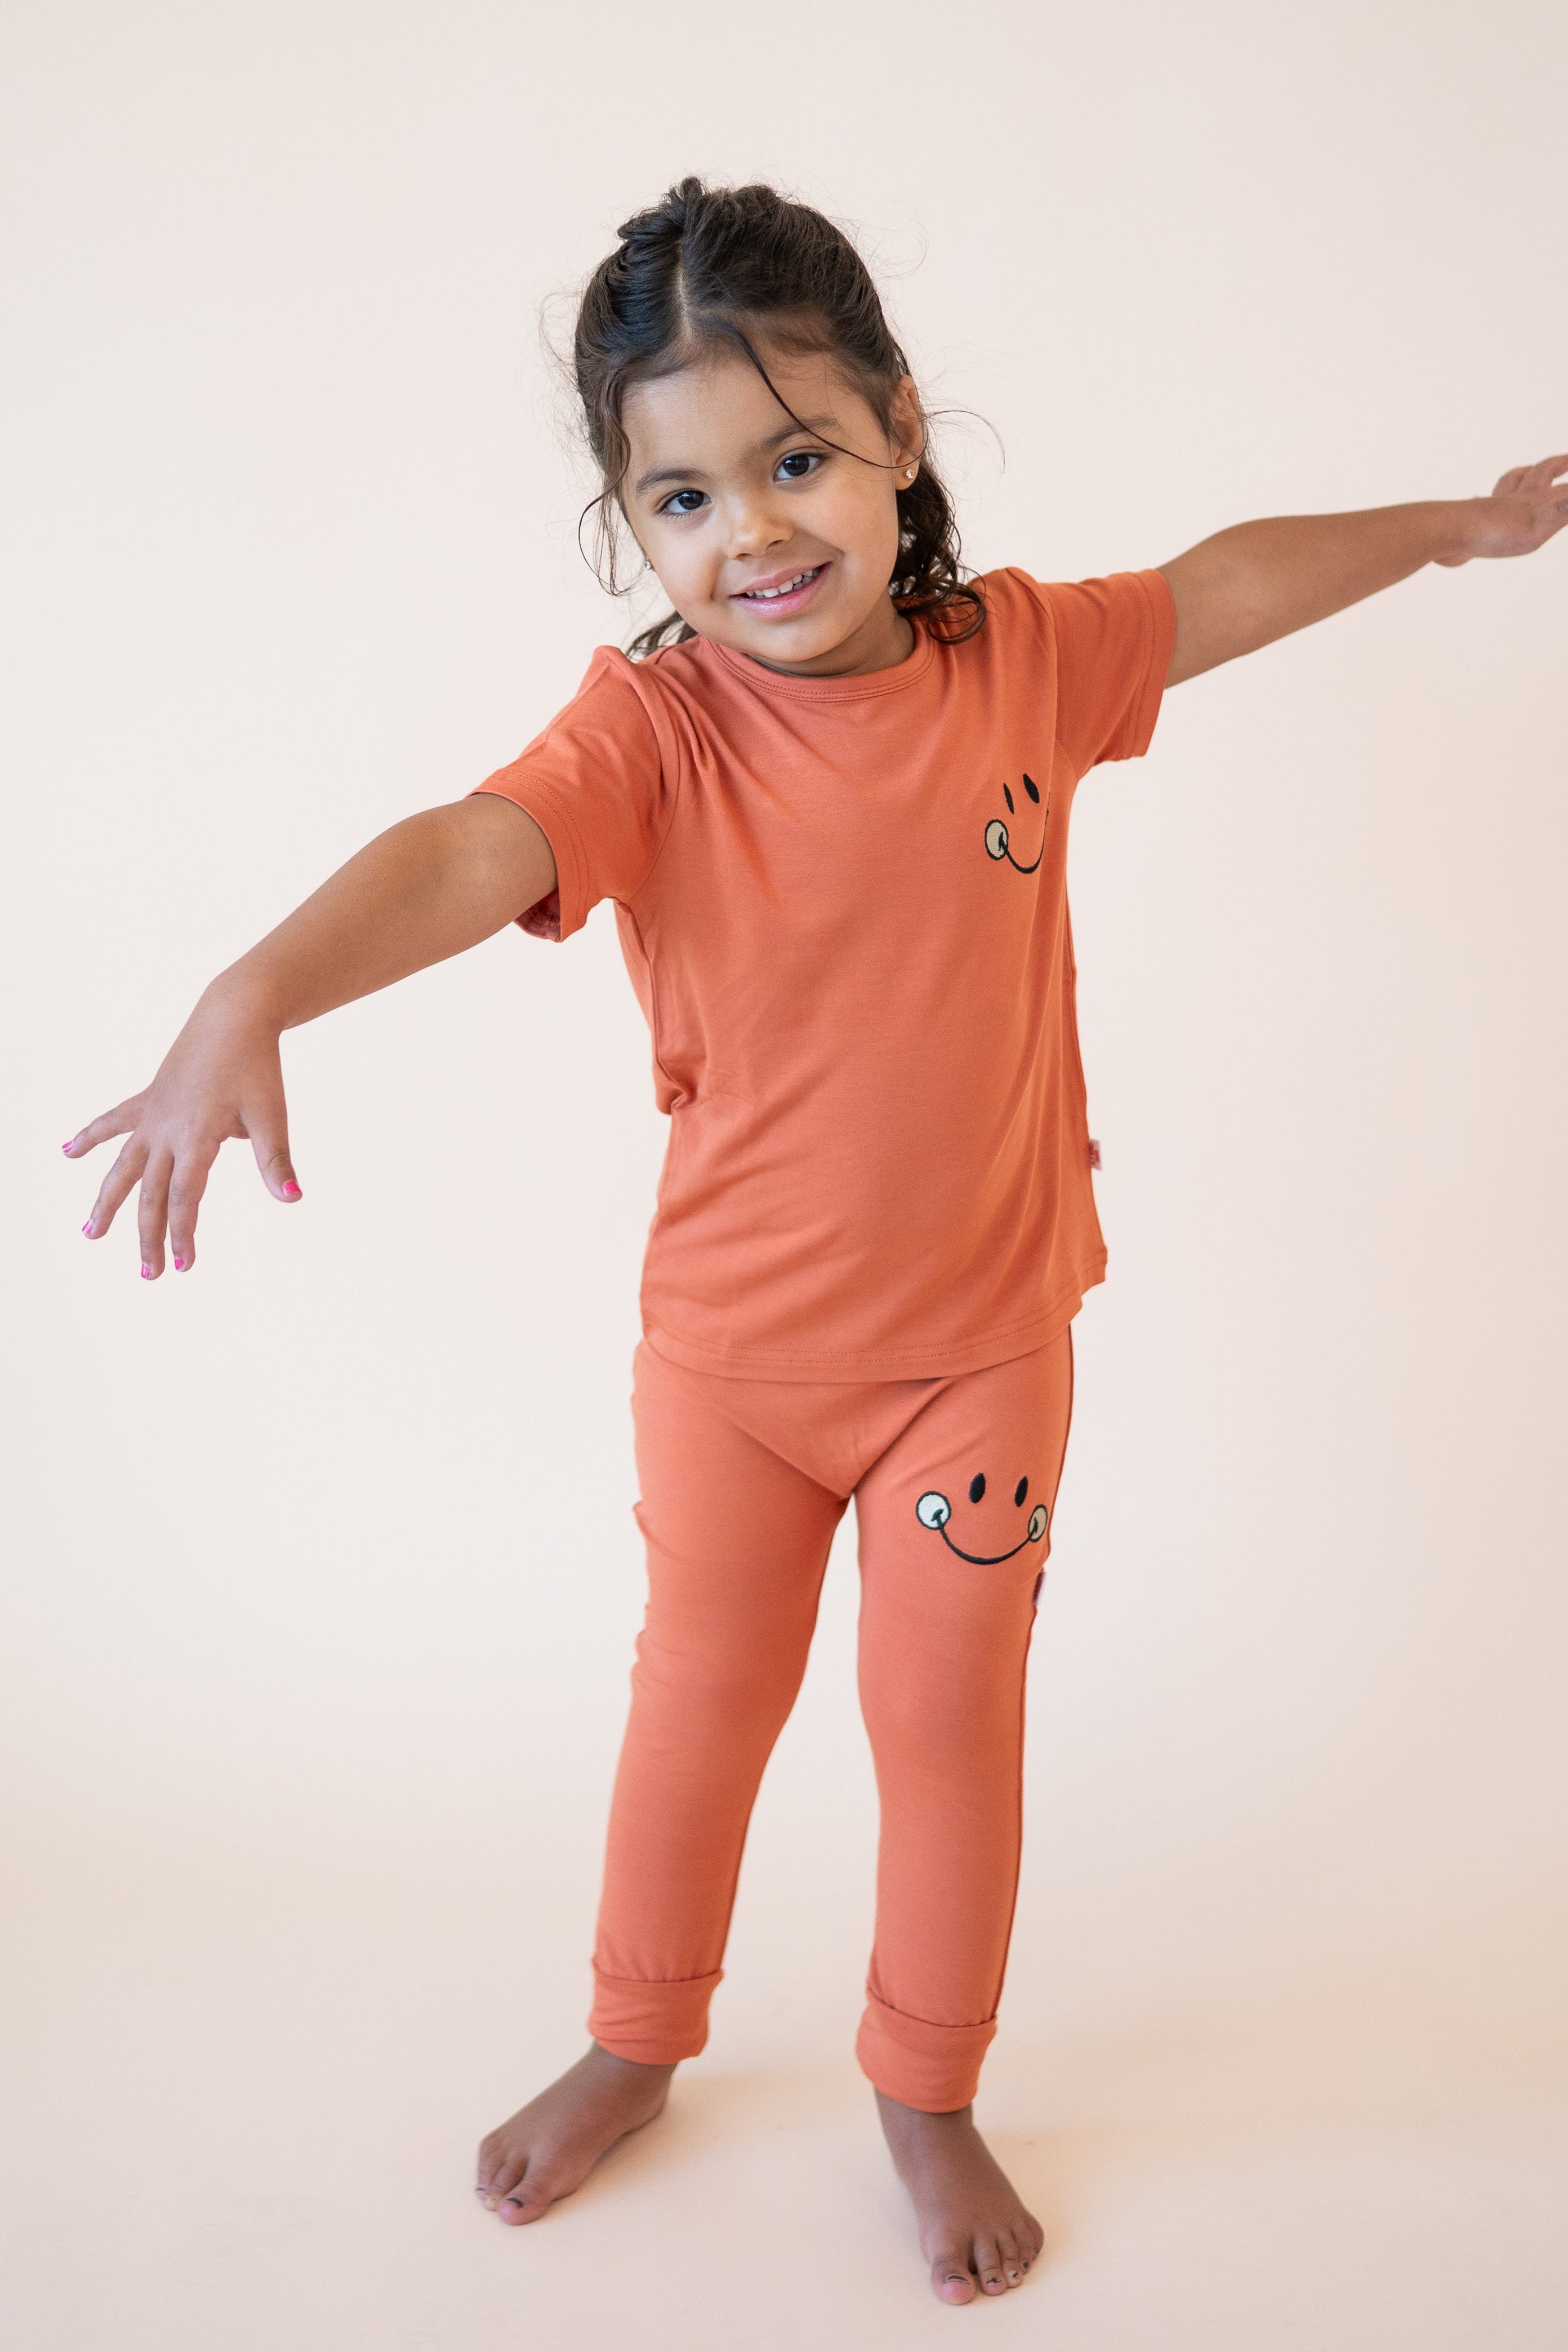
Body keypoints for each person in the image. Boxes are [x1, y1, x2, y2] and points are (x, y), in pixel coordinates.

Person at [63, 176, 1565, 2306]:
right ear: (631, 523)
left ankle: (927, 2089)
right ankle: (634, 2039)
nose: (751, 532)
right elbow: (468, 850)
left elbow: (1222, 584)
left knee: (948, 1730)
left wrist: (1453, 527)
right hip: (734, 1375)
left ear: (898, 438)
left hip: (980, 1352)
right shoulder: (651, 734)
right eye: (681, 496)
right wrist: (254, 991)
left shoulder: (1026, 661)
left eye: (795, 461)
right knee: (700, 1706)